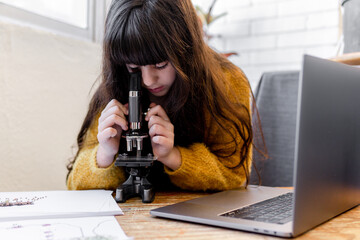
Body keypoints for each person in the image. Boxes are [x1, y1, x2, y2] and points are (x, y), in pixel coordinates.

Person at [66, 0, 254, 192]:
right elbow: (74, 182)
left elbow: (235, 175)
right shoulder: (117, 84)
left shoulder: (227, 81)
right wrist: (105, 154)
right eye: (134, 67)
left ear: (187, 49)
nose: (148, 80)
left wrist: (173, 156)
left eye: (161, 64)